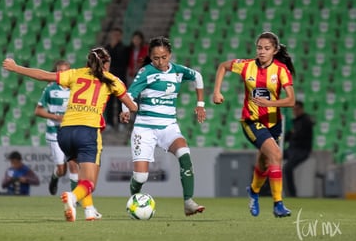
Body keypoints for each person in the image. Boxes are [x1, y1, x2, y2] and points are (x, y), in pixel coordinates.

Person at [2, 47, 137, 221]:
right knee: (90, 183)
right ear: (107, 64)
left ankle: (89, 211)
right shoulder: (112, 80)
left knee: (81, 174)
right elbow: (132, 106)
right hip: (87, 131)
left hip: (65, 132)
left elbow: (44, 76)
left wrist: (16, 67)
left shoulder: (75, 74)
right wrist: (128, 111)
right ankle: (73, 198)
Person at [119, 36, 206, 216]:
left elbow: (197, 76)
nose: (160, 61)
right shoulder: (146, 72)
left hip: (168, 127)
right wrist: (125, 109)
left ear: (170, 55)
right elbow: (128, 94)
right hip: (145, 128)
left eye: (164, 57)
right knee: (141, 177)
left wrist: (200, 105)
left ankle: (188, 202)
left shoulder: (178, 71)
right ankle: (134, 200)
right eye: (156, 58)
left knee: (185, 155)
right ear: (150, 57)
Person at [213, 31, 295, 218]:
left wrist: (270, 103)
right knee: (275, 155)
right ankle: (278, 204)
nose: (262, 51)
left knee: (265, 162)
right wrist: (216, 91)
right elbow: (222, 67)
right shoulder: (246, 66)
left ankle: (253, 191)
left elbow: (291, 100)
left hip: (274, 123)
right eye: (259, 47)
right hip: (251, 121)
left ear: (274, 51)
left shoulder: (281, 70)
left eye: (267, 48)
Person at [34, 60, 79, 195]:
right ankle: (55, 177)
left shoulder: (76, 88)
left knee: (73, 165)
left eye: (65, 71)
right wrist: (55, 117)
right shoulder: (50, 88)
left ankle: (74, 197)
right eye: (59, 71)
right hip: (54, 132)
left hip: (71, 131)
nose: (62, 74)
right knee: (61, 169)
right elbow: (38, 111)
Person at [283, 100, 314, 197]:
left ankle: (292, 194)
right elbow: (287, 137)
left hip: (301, 150)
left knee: (287, 168)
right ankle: (267, 190)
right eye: (293, 110)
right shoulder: (294, 122)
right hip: (292, 149)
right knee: (270, 157)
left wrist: (292, 133)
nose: (295, 112)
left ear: (301, 109)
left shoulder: (306, 120)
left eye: (296, 109)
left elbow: (298, 135)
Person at [104, 27, 129, 130]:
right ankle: (109, 122)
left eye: (118, 35)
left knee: (120, 101)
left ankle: (121, 122)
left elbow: (123, 61)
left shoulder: (124, 48)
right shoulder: (106, 48)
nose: (115, 37)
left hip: (120, 77)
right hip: (109, 78)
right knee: (109, 101)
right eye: (114, 35)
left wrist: (114, 48)